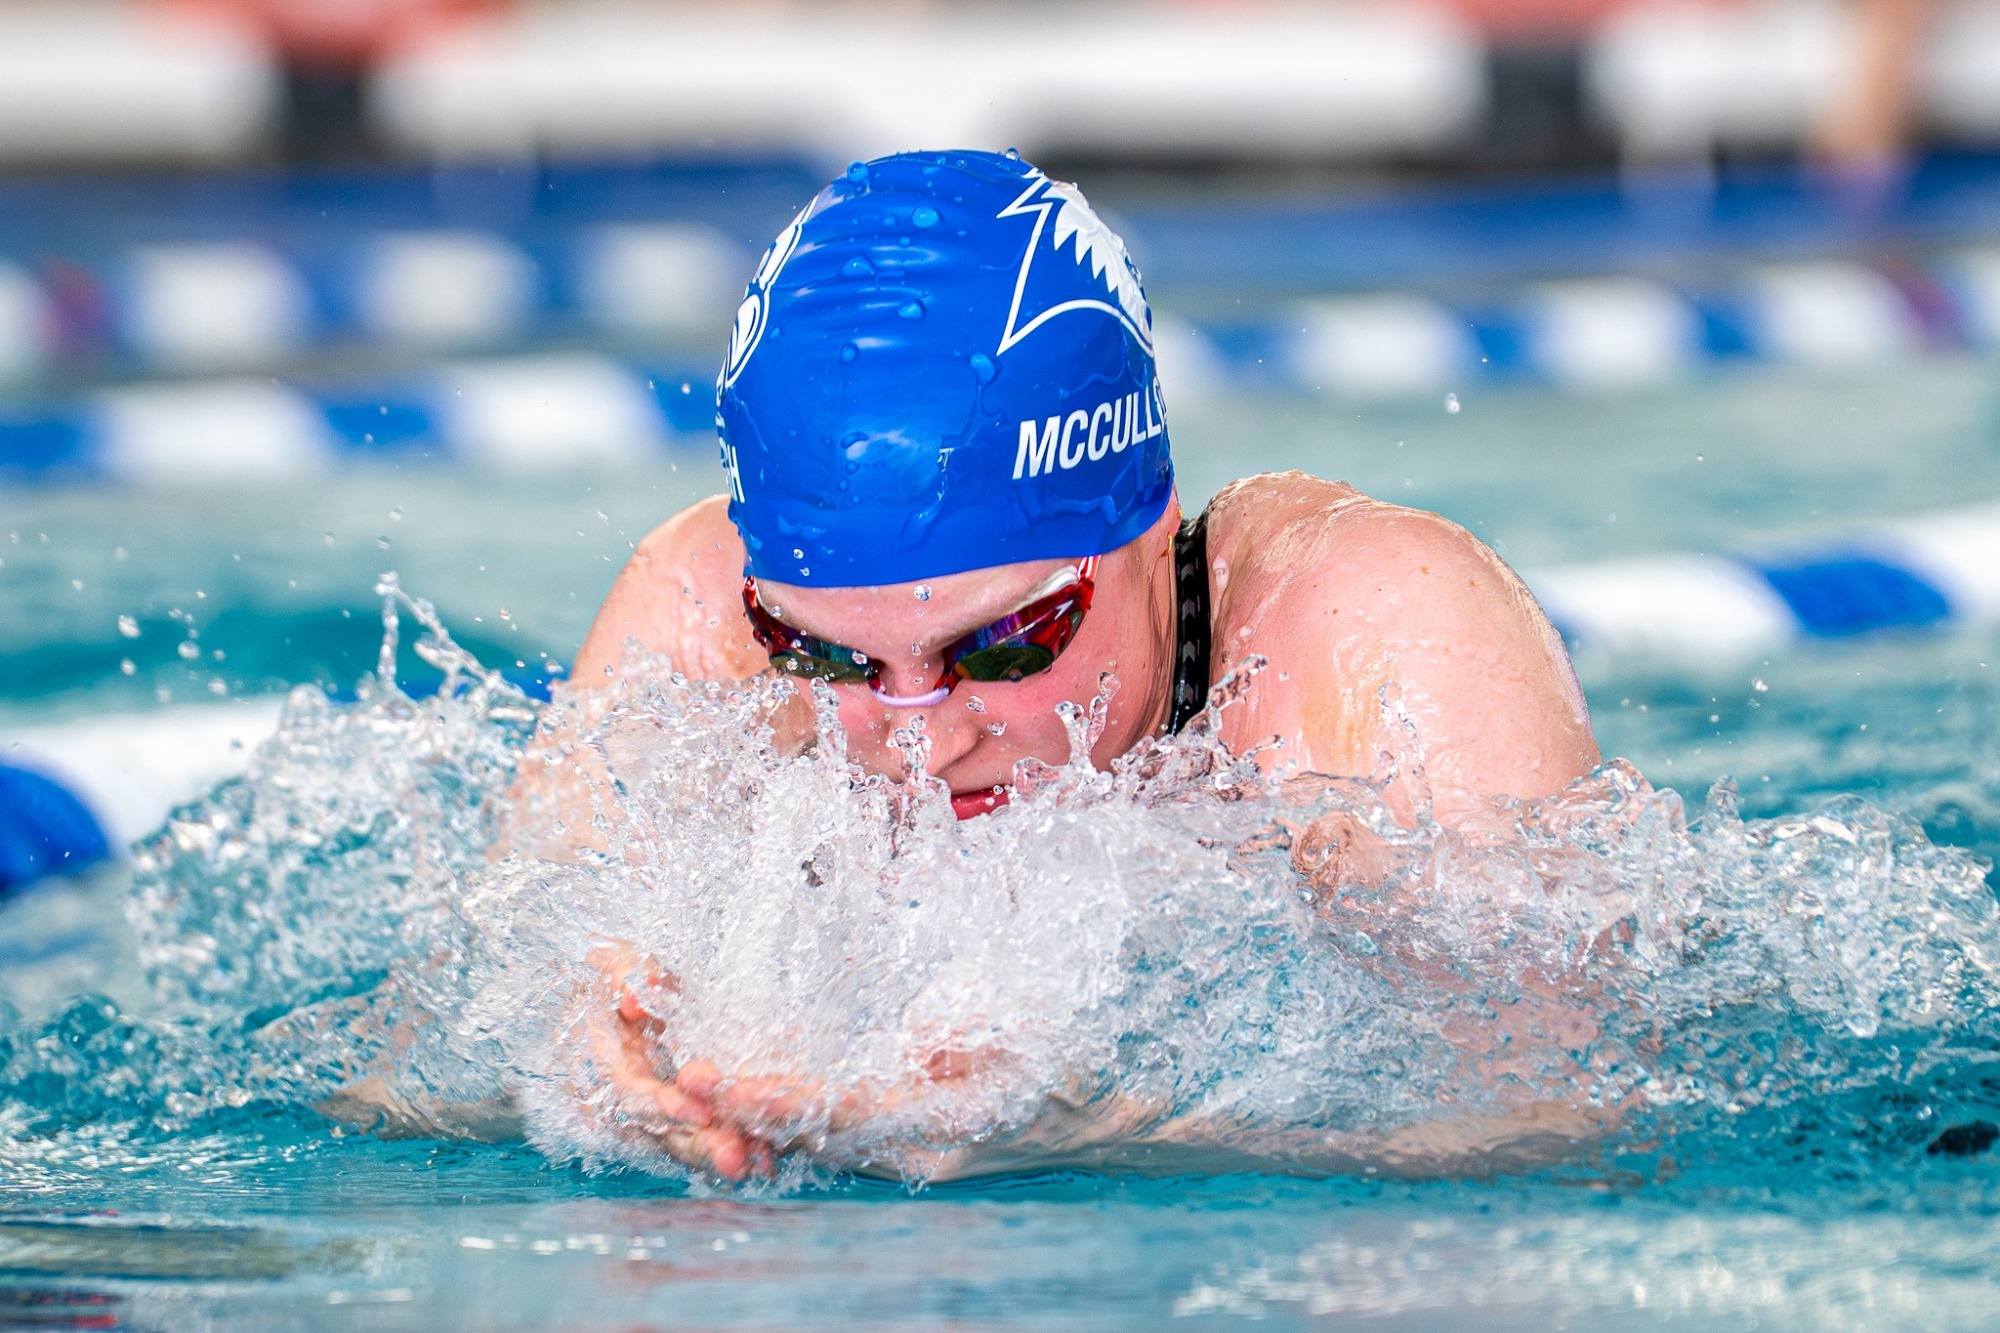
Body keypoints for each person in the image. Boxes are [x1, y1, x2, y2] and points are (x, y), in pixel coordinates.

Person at [527, 150, 1602, 1181]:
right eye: (824, 655)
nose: (920, 734)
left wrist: (1099, 1122)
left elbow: (1561, 1118)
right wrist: (581, 1065)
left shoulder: (1360, 630)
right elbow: (401, 1081)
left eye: (1001, 642)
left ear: (1146, 523)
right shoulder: (702, 613)